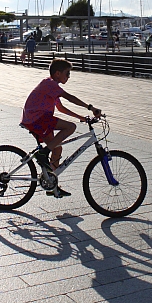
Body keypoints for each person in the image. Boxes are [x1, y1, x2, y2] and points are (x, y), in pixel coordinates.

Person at [21, 58, 102, 198]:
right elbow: (69, 97)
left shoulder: (51, 85)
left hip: (38, 119)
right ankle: (42, 154)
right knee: (70, 127)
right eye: (67, 73)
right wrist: (90, 107)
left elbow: (61, 108)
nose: (69, 77)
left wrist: (81, 117)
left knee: (57, 148)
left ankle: (51, 184)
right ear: (58, 73)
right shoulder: (50, 84)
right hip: (37, 119)